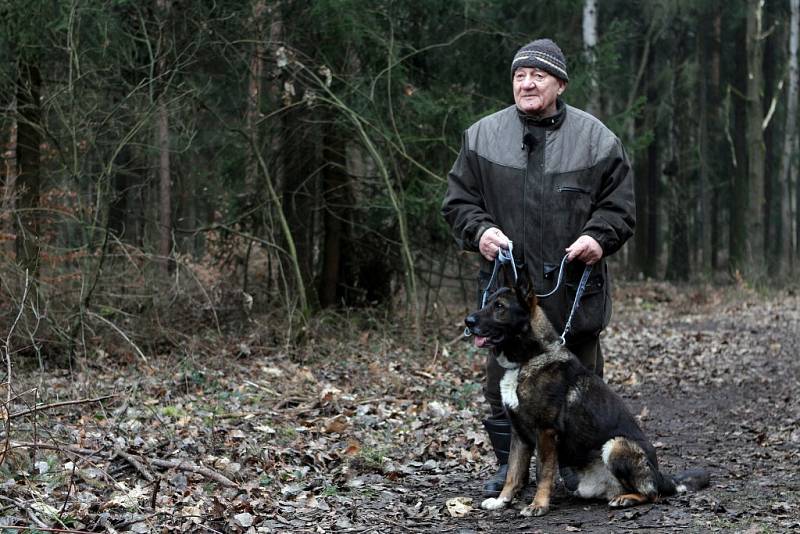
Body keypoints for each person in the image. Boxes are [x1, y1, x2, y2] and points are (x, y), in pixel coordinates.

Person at [441, 38, 635, 497]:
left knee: (581, 387)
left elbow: (620, 208)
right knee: (500, 389)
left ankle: (575, 467)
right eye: (519, 75)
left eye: (538, 75)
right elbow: (458, 202)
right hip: (506, 295)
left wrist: (597, 236)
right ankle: (509, 472)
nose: (526, 83)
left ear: (560, 83)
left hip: (573, 292)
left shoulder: (597, 138)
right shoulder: (481, 136)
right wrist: (480, 230)